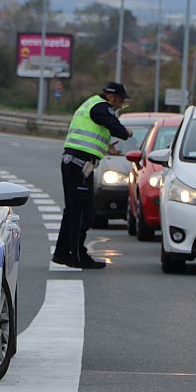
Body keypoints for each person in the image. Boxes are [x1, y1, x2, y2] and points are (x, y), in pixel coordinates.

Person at [52, 82, 133, 270]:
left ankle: (62, 253)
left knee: (74, 210)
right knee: (83, 212)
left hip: (76, 163)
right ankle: (77, 256)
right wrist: (126, 133)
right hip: (79, 165)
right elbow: (115, 127)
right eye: (121, 100)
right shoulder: (101, 107)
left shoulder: (92, 105)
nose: (121, 105)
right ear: (112, 97)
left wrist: (107, 147)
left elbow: (90, 137)